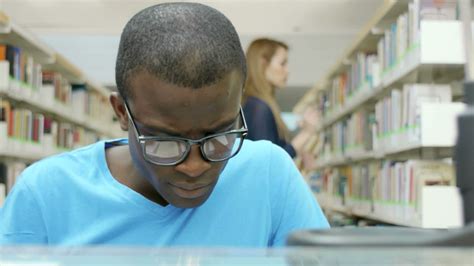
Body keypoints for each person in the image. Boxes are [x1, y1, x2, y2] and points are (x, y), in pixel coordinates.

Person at [0, 3, 329, 246]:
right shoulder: (45, 194)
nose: (194, 167)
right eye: (166, 142)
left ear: (238, 106)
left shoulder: (270, 174)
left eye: (218, 136)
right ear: (121, 112)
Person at [242, 38, 297, 157]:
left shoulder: (252, 103)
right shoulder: (259, 107)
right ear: (263, 63)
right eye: (282, 64)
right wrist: (304, 137)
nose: (287, 71)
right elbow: (268, 161)